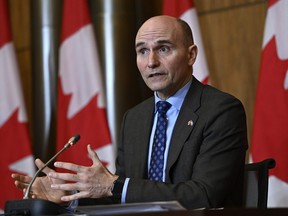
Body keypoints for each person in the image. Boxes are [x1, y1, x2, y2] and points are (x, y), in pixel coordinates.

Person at [12, 15, 248, 209]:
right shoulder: (135, 118)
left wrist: (113, 185)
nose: (151, 62)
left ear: (191, 55)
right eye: (142, 51)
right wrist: (70, 195)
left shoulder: (221, 111)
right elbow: (123, 197)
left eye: (163, 49)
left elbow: (204, 196)